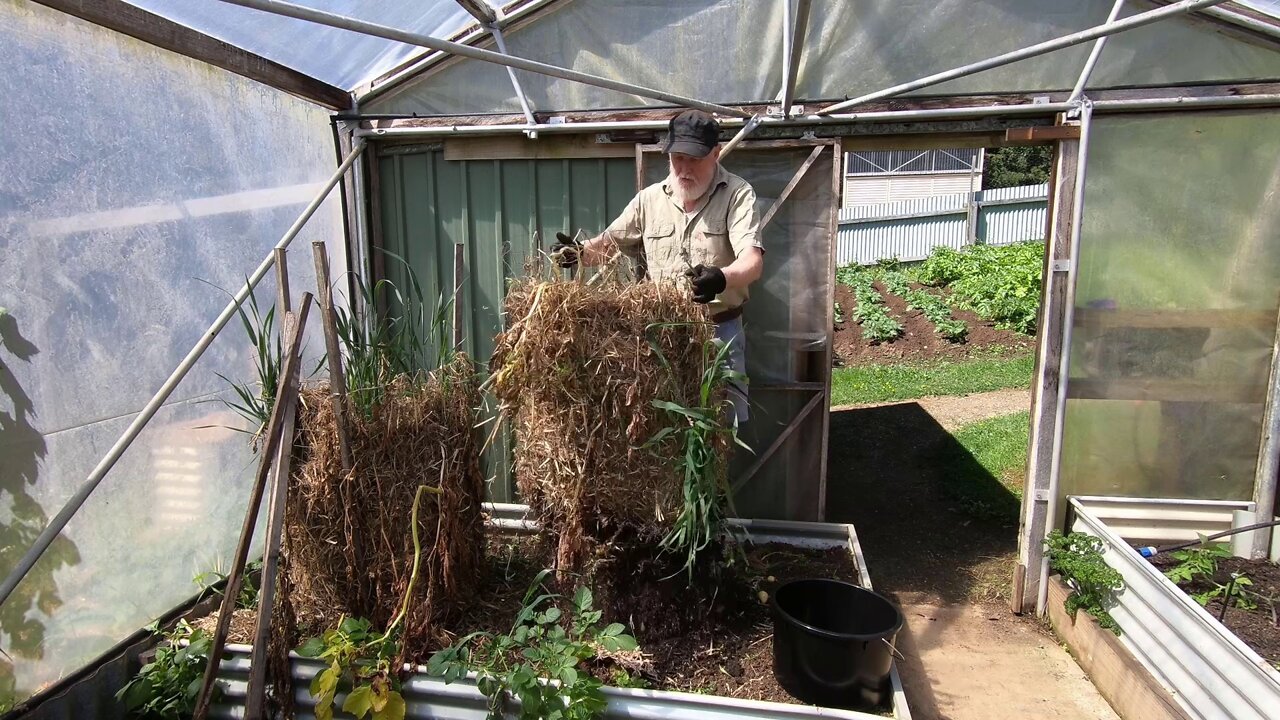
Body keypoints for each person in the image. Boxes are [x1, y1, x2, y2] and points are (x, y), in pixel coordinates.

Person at [552, 109, 763, 423]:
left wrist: (721, 278)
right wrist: (578, 253)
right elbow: (607, 245)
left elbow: (753, 261)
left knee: (720, 430)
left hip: (720, 332)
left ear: (716, 154)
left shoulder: (736, 194)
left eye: (694, 159)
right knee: (666, 428)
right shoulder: (648, 200)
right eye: (677, 157)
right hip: (662, 337)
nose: (683, 169)